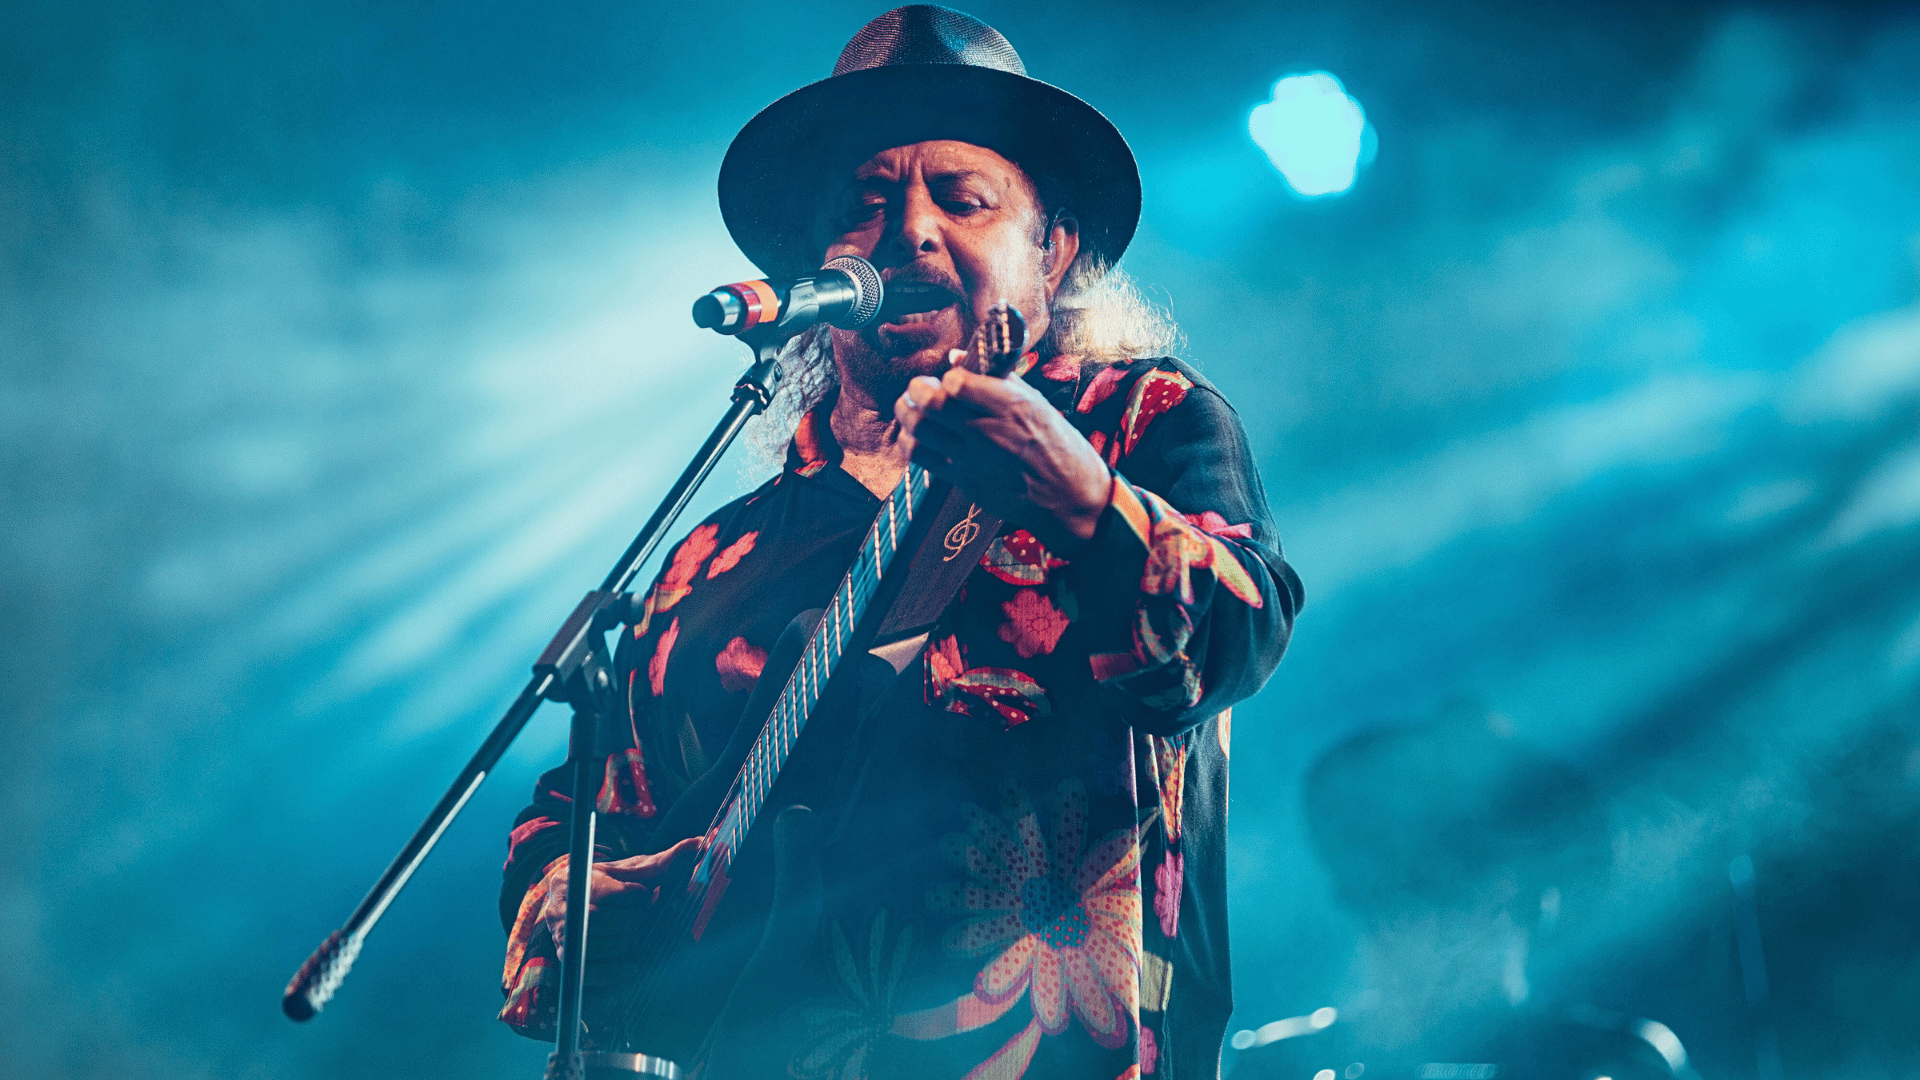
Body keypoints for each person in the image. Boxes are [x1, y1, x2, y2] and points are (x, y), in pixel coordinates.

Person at [496, 7, 1303, 1078]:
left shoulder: (1141, 423)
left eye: (961, 199)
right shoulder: (708, 561)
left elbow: (1227, 645)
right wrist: (563, 891)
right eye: (865, 204)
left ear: (1052, 248)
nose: (909, 232)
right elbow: (587, 808)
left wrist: (1082, 501)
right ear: (813, 263)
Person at [1230, 714, 1696, 1080]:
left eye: (1459, 882)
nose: (1426, 921)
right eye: (1398, 889)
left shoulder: (1617, 1064)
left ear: (1534, 900)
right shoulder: (1281, 1069)